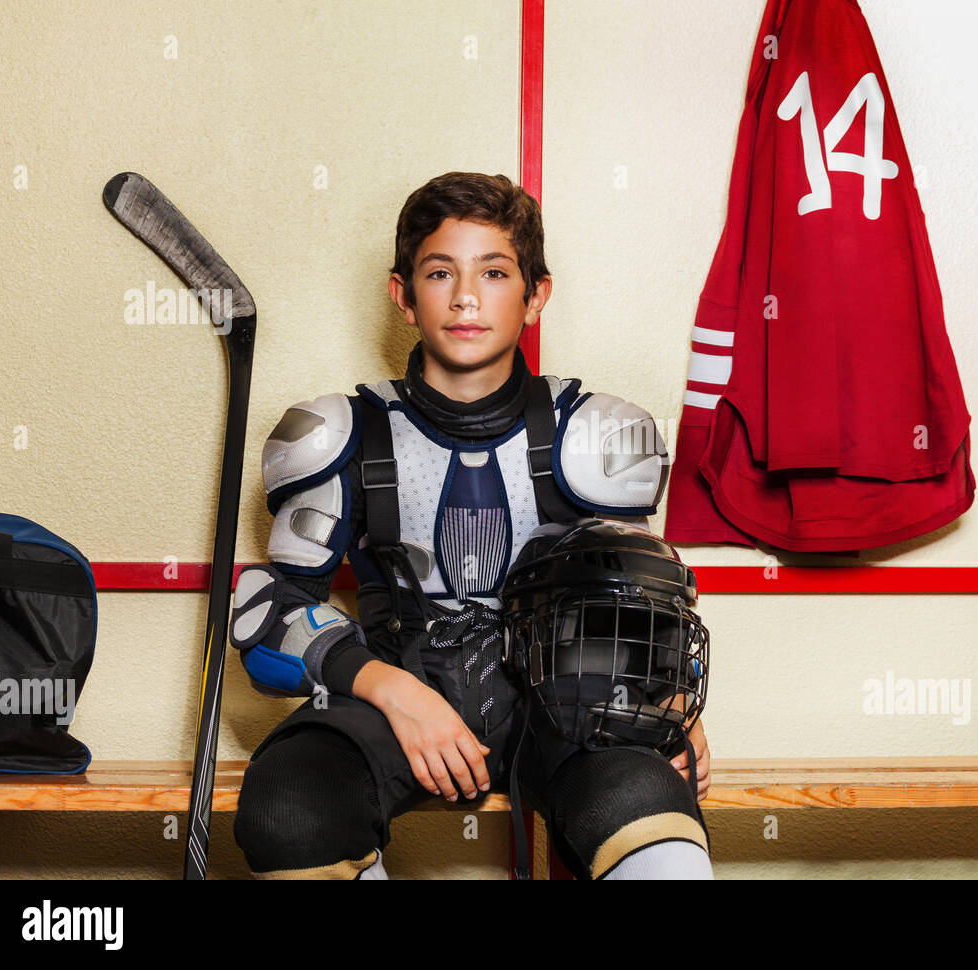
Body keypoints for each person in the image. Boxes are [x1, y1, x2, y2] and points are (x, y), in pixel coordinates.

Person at [228, 172, 712, 880]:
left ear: (535, 295)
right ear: (402, 295)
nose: (464, 297)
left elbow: (640, 608)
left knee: (646, 798)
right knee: (289, 805)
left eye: (493, 271)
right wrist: (395, 693)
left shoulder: (596, 436)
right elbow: (266, 613)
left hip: (566, 714)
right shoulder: (343, 435)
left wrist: (675, 714)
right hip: (398, 710)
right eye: (438, 272)